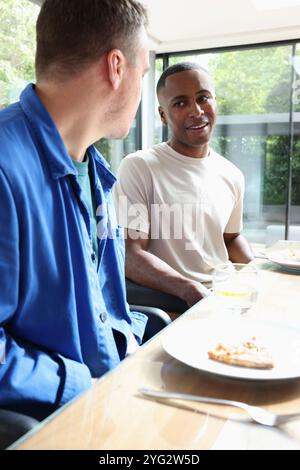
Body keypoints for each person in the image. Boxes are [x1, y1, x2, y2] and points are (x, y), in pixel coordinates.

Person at [0, 0, 149, 420]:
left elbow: (99, 308)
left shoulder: (96, 172)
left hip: (116, 394)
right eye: (143, 71)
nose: (142, 87)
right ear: (116, 67)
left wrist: (132, 346)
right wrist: (83, 384)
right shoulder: (5, 168)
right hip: (61, 420)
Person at [114, 62, 253, 312]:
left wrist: (256, 271)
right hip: (173, 303)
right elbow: (130, 254)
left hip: (225, 297)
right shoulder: (139, 167)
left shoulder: (232, 174)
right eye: (180, 103)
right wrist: (190, 289)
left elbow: (231, 238)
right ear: (163, 115)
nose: (196, 111)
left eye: (203, 98)